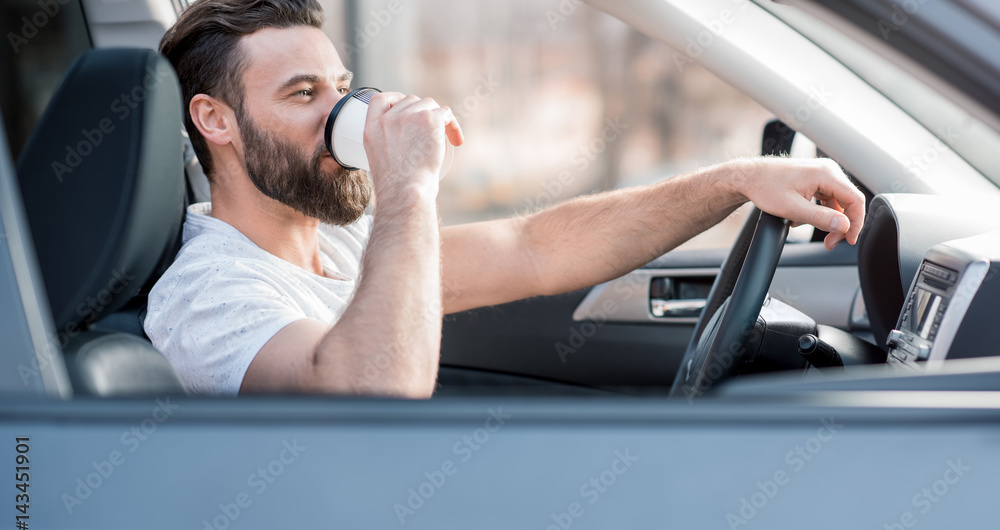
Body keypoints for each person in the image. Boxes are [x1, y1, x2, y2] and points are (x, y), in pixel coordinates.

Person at [146, 0, 866, 398]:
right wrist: (409, 187)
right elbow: (368, 396)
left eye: (341, 86)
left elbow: (535, 248)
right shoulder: (209, 291)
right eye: (304, 95)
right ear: (217, 120)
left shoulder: (336, 243)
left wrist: (734, 182)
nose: (341, 114)